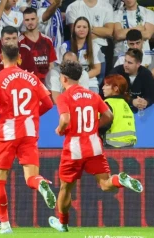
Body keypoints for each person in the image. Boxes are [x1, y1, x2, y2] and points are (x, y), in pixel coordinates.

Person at [49, 60, 143, 232]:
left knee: (65, 188)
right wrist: (94, 126)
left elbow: (65, 119)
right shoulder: (93, 95)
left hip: (74, 148)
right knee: (105, 183)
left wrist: (60, 129)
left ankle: (63, 223)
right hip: (94, 145)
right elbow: (109, 115)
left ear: (63, 79)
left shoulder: (64, 97)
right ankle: (119, 179)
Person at [0, 44, 56, 234]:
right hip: (29, 132)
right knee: (31, 177)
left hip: (7, 134)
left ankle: (5, 225)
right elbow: (49, 103)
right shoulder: (32, 78)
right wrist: (32, 115)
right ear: (19, 58)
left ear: (1, 57)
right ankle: (41, 182)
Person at [100, 74, 137, 148]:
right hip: (130, 145)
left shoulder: (108, 103)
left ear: (116, 88)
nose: (103, 88)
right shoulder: (125, 104)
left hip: (112, 145)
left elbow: (104, 125)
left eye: (106, 85)